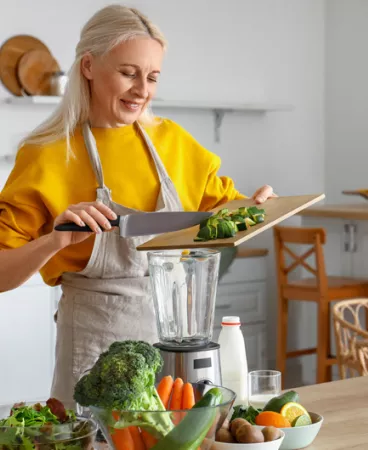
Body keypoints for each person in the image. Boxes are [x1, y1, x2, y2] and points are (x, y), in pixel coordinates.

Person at [0, 4, 276, 406]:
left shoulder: (173, 143)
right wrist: (55, 242)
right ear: (89, 66)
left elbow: (225, 215)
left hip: (171, 341)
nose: (142, 90)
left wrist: (258, 206)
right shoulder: (46, 154)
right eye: (128, 73)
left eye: (152, 77)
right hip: (92, 346)